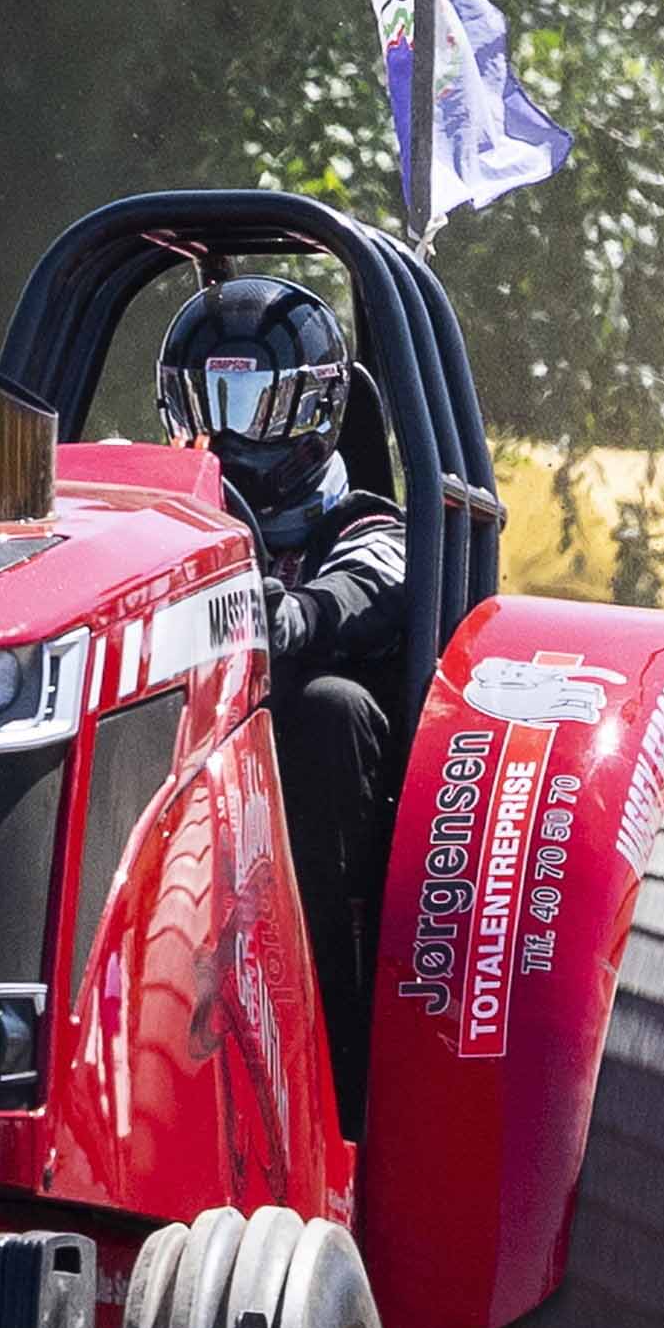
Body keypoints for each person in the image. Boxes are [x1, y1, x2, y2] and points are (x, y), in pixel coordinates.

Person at [160, 275, 405, 1099]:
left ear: (313, 410)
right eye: (211, 399)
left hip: (327, 821)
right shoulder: (152, 520)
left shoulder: (365, 522)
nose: (230, 428)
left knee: (323, 710)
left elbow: (368, 587)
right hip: (176, 769)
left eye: (253, 401)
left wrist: (296, 615)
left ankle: (335, 1054)